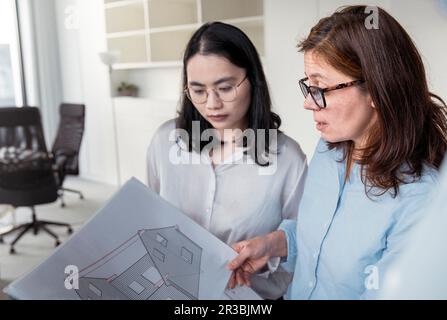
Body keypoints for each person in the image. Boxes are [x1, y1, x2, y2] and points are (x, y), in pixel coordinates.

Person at [227, 5, 447, 299]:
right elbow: (321, 241)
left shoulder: (423, 200)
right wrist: (274, 244)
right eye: (309, 86)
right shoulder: (330, 150)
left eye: (321, 87)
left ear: (376, 90)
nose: (308, 103)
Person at [146, 22, 307, 299]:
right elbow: (149, 217)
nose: (212, 104)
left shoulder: (287, 158)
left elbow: (302, 245)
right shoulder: (166, 141)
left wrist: (266, 255)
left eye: (225, 88)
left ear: (252, 80)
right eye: (198, 91)